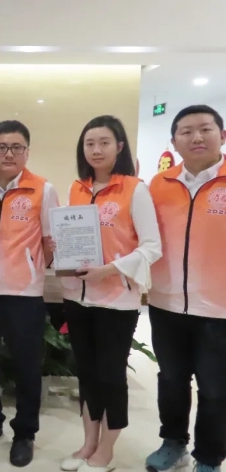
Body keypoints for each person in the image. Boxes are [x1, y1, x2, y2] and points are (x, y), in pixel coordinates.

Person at [52, 115, 161, 472]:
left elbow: (151, 247)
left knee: (111, 376)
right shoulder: (78, 188)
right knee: (86, 373)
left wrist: (109, 269)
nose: (96, 149)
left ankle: (106, 450)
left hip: (116, 300)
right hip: (77, 298)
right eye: (89, 143)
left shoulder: (135, 189)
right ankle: (88, 443)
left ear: (119, 146)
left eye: (104, 142)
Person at [0, 120, 59, 467]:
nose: (9, 154)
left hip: (24, 295)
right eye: (1, 147)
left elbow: (51, 241)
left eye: (16, 147)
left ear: (26, 152)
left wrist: (31, 267)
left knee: (27, 367)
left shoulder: (43, 189)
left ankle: (25, 432)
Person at [145, 105, 226, 472]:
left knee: (215, 389)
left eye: (205, 129)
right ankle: (173, 442)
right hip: (166, 304)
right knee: (171, 380)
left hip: (219, 308)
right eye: (186, 131)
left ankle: (208, 457)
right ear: (174, 141)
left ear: (221, 135)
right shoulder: (158, 185)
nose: (196, 137)